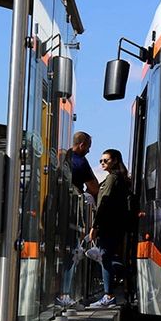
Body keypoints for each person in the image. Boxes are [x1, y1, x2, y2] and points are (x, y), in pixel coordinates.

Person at [56, 131, 99, 308]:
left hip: (57, 211)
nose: (88, 151)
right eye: (88, 147)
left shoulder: (62, 157)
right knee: (73, 251)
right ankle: (65, 294)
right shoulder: (80, 162)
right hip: (73, 210)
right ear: (81, 145)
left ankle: (58, 293)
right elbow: (94, 187)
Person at [88, 149, 131, 308]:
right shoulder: (121, 178)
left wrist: (95, 226)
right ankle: (113, 288)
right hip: (117, 225)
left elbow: (103, 204)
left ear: (114, 161)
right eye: (100, 161)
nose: (102, 163)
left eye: (105, 160)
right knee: (107, 256)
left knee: (106, 257)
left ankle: (109, 294)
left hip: (109, 225)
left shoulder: (112, 179)